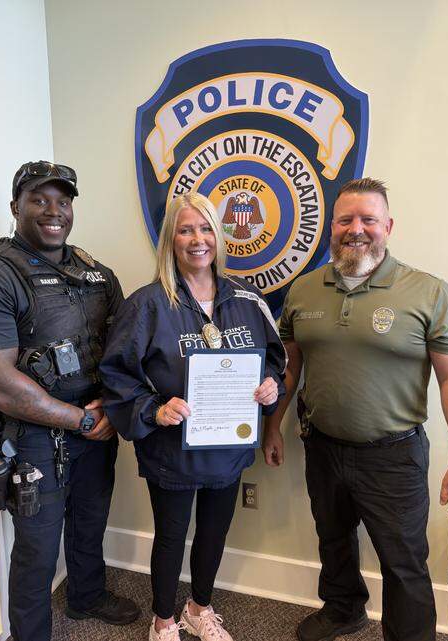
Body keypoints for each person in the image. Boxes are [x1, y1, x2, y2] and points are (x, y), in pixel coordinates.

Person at [263, 178, 448, 641]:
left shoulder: (428, 292)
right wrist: (273, 427)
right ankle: (342, 610)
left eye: (368, 219)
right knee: (333, 540)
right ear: (331, 227)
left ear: (388, 226)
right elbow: (289, 367)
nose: (356, 229)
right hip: (322, 446)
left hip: (393, 455)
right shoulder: (305, 289)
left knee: (404, 559)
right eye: (346, 219)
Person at [100, 192, 287, 641]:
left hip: (228, 446)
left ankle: (198, 608)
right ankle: (163, 619)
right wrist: (153, 409)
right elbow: (115, 373)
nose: (197, 239)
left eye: (205, 229)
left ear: (219, 237)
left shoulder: (247, 298)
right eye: (186, 229)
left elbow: (274, 360)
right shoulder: (147, 304)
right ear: (171, 239)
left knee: (214, 532)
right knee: (170, 536)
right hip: (173, 451)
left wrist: (269, 384)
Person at [0, 160, 141, 641]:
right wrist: (80, 420)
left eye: (64, 201)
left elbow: (125, 347)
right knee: (37, 548)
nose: (55, 211)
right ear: (15, 207)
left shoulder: (95, 272)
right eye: (39, 199)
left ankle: (86, 595)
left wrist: (109, 410)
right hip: (33, 438)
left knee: (91, 519)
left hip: (97, 427)